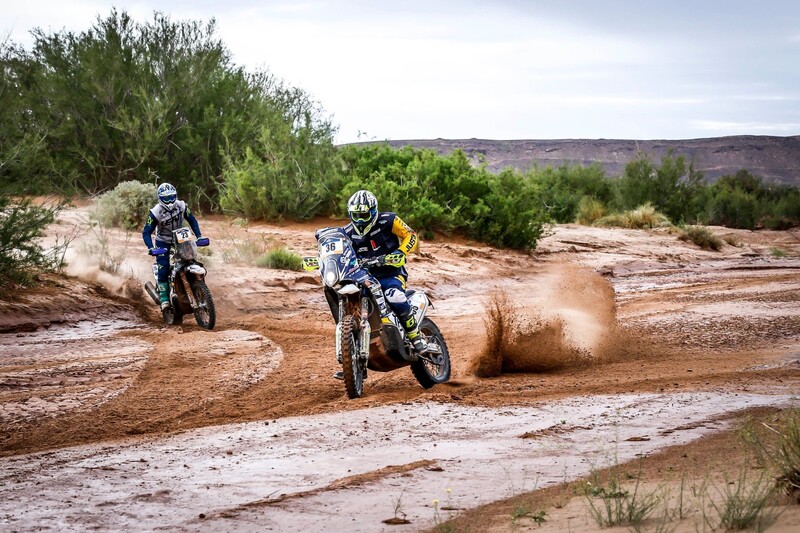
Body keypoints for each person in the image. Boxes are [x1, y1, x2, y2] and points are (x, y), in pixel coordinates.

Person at [343, 189, 440, 357]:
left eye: (364, 216)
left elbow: (411, 236)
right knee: (348, 302)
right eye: (356, 215)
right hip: (363, 278)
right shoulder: (347, 233)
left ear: (373, 212)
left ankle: (417, 339)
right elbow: (340, 252)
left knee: (395, 297)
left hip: (390, 274)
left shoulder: (388, 220)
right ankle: (349, 356)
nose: (359, 220)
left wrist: (401, 252)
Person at [142, 183, 204, 310]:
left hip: (181, 238)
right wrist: (151, 248)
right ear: (160, 198)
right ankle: (164, 298)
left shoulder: (181, 206)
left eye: (172, 197)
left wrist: (199, 236)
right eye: (166, 198)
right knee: (163, 268)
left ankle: (199, 289)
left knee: (191, 260)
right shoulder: (155, 212)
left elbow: (192, 220)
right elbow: (146, 231)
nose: (170, 201)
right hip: (163, 241)